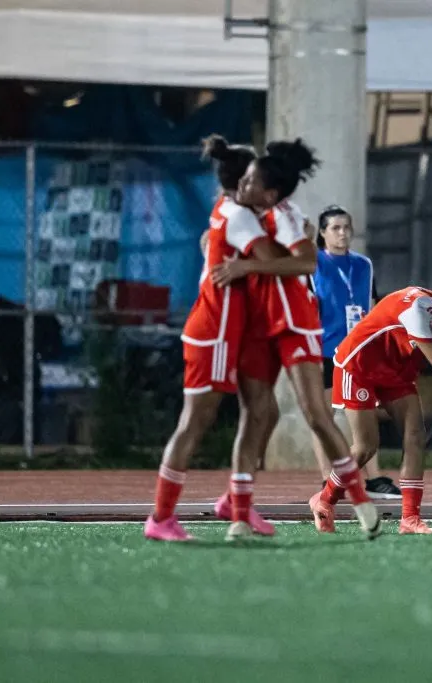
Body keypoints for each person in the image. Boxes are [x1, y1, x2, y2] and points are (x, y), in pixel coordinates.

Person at [211, 139, 382, 541]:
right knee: (258, 415)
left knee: (316, 415)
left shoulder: (283, 217)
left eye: (251, 177)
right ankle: (236, 507)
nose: (243, 183)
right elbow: (218, 238)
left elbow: (303, 257)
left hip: (295, 324)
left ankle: (355, 500)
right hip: (258, 323)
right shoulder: (239, 211)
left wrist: (247, 264)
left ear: (270, 191)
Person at [144, 135, 292, 542]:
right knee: (194, 424)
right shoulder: (240, 218)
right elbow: (274, 262)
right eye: (253, 176)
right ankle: (160, 517)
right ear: (242, 180)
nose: (257, 183)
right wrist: (299, 246)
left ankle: (235, 501)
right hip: (214, 332)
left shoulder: (229, 209)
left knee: (264, 411)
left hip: (234, 333)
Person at [309, 286, 432, 534]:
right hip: (358, 367)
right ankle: (324, 500)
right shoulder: (416, 315)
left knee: (415, 438)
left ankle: (410, 519)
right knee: (365, 447)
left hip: (395, 369)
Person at [311, 205, 400, 500]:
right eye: (335, 228)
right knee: (325, 416)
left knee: (363, 412)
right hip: (324, 349)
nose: (342, 233)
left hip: (358, 350)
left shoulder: (363, 265)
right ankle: (328, 478)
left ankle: (373, 479)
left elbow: (373, 305)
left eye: (346, 227)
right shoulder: (313, 264)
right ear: (322, 233)